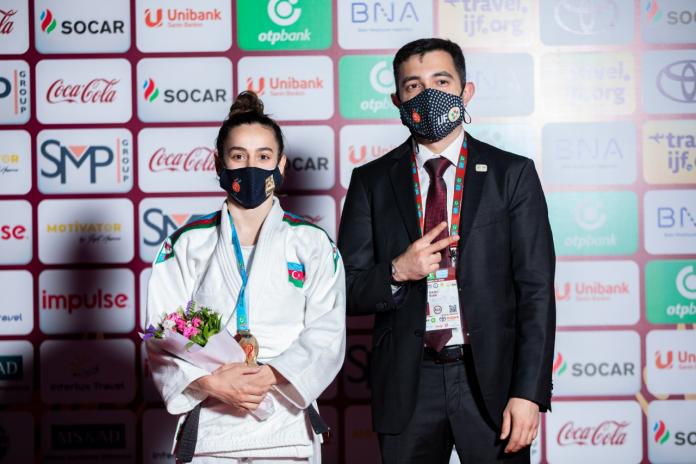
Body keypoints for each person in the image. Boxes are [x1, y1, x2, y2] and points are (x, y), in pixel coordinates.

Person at [338, 38, 555, 463]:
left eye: (441, 80)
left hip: (491, 384)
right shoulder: (371, 182)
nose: (429, 94)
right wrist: (397, 270)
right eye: (414, 86)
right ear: (397, 99)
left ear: (465, 91)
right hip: (408, 384)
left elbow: (536, 291)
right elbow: (345, 288)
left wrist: (529, 393)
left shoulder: (512, 175)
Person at [146, 91, 346, 463]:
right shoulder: (187, 243)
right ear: (218, 163)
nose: (251, 167)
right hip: (209, 429)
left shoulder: (311, 243)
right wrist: (211, 383)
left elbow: (327, 332)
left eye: (264, 157)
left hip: (286, 431)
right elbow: (161, 331)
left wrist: (269, 375)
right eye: (238, 156)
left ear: (281, 165)